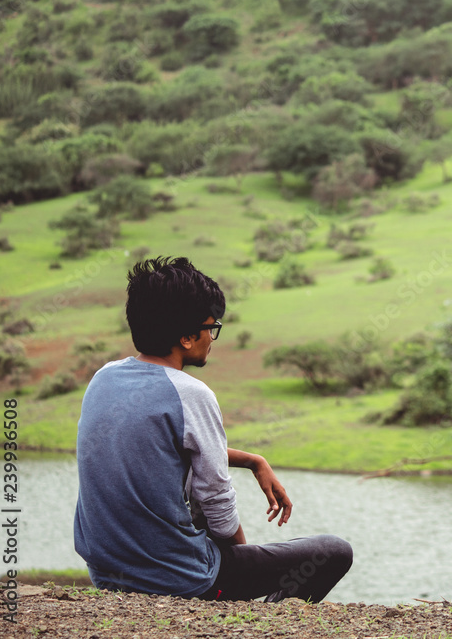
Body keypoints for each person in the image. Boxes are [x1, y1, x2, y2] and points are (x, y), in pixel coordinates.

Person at [74, 256, 352, 602]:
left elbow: (157, 448)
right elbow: (218, 507)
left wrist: (252, 460)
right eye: (211, 328)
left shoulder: (104, 379)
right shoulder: (190, 393)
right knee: (335, 550)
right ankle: (265, 616)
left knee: (190, 480)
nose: (212, 337)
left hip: (107, 574)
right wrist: (241, 566)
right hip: (178, 579)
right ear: (188, 337)